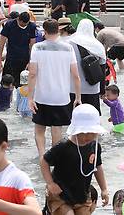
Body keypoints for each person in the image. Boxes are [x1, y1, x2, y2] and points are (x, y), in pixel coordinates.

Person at [40, 104, 109, 215]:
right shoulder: (63, 146)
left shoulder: (95, 146)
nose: (88, 136)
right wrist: (50, 183)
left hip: (81, 195)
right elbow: (44, 161)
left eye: (92, 133)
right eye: (83, 133)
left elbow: (98, 167)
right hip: (60, 194)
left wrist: (104, 189)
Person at [28, 19, 82, 158]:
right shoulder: (68, 47)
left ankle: (41, 156)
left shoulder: (37, 48)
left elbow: (32, 74)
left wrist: (30, 97)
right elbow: (76, 75)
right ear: (58, 30)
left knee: (39, 128)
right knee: (56, 128)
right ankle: (55, 158)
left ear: (44, 32)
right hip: (61, 96)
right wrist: (78, 97)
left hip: (42, 96)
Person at [68, 19, 106, 112]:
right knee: (92, 118)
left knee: (74, 117)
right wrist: (102, 90)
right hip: (92, 88)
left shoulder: (69, 43)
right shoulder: (98, 45)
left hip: (73, 88)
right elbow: (102, 69)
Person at [0, 12, 37, 87]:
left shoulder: (32, 26)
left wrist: (31, 62)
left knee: (22, 86)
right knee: (6, 85)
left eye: (26, 24)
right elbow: (1, 44)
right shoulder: (9, 25)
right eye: (23, 24)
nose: (24, 25)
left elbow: (32, 46)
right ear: (18, 19)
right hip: (11, 58)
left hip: (24, 59)